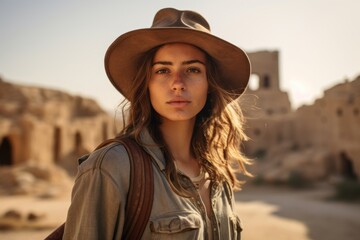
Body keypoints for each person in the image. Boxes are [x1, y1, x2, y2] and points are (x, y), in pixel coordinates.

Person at [63, 7, 252, 240]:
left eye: (193, 69)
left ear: (210, 84)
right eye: (163, 70)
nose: (177, 83)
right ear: (147, 84)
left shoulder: (218, 175)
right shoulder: (111, 167)